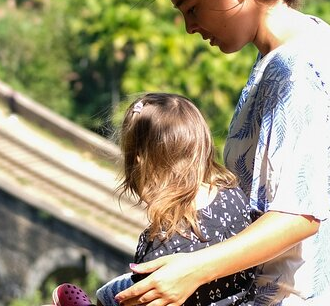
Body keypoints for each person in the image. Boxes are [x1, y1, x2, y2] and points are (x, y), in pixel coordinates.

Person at [113, 0, 330, 305]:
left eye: (192, 8)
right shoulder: (307, 39)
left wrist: (194, 269)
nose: (190, 27)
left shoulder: (295, 74)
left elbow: (298, 216)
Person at [53, 92, 255, 306]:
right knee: (110, 290)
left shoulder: (161, 245)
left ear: (139, 162)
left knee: (111, 295)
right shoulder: (233, 194)